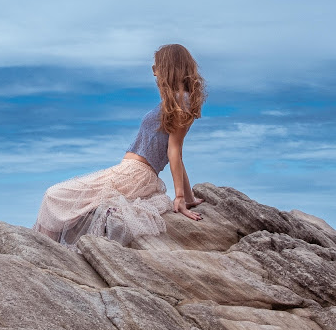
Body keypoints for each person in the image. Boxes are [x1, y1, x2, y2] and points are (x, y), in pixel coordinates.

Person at [33, 43, 206, 246]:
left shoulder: (180, 101)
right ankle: (47, 253)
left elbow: (174, 151)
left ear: (168, 67)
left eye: (156, 67)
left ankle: (46, 253)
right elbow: (177, 154)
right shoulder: (175, 101)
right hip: (128, 174)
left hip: (135, 175)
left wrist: (179, 197)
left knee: (54, 196)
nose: (154, 73)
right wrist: (188, 196)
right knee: (62, 201)